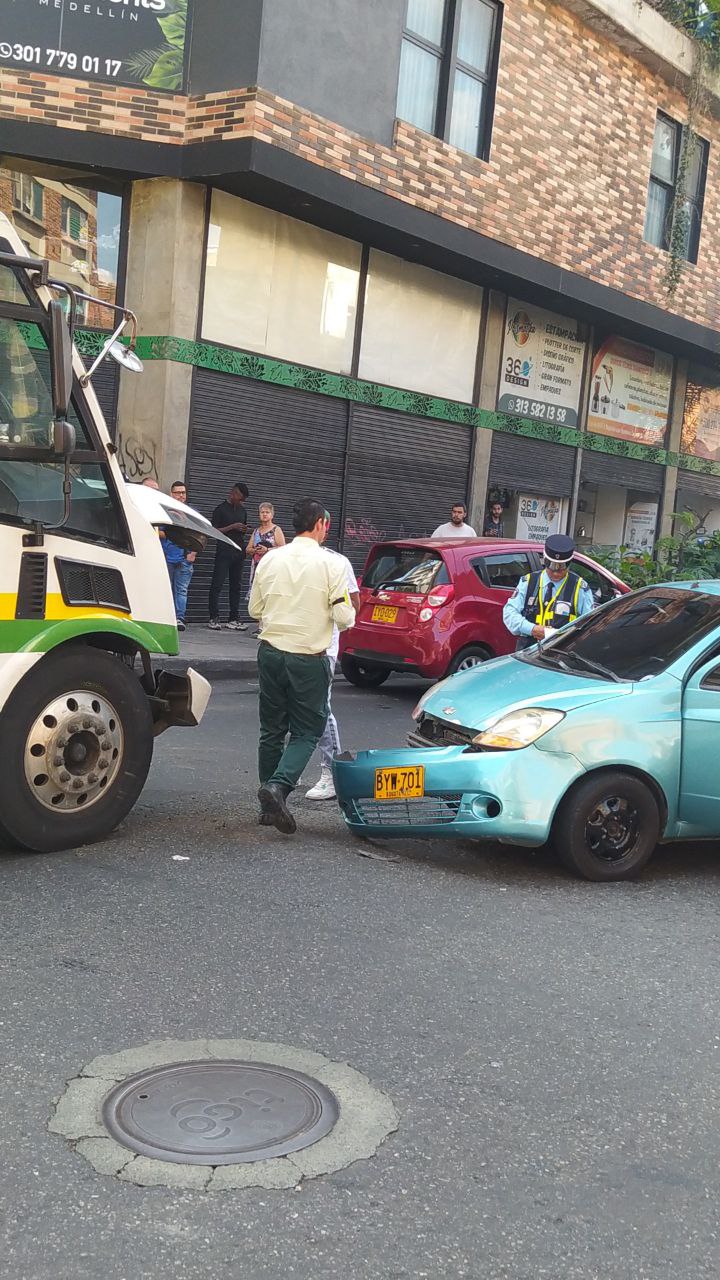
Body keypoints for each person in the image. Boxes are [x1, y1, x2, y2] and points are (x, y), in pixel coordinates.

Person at [248, 498, 356, 835]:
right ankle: (278, 787)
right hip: (308, 658)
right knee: (308, 730)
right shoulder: (332, 565)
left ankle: (268, 806)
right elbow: (344, 618)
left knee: (272, 729)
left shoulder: (270, 559)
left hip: (270, 652)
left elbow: (254, 609)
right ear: (322, 525)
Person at [305, 521, 361, 801]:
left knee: (321, 710)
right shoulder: (289, 558)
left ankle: (332, 770)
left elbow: (354, 603)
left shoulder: (337, 562)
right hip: (290, 646)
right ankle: (280, 776)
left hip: (322, 649)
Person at [503, 533, 594, 651]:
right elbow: (509, 613)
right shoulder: (529, 582)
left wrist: (558, 635)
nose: (556, 572)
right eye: (551, 565)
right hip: (527, 653)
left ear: (569, 563)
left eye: (561, 567)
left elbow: (590, 626)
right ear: (544, 560)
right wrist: (531, 629)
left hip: (563, 653)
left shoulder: (580, 589)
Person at [208, 482, 250, 631]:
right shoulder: (220, 509)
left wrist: (243, 529)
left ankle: (233, 617)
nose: (241, 501)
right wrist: (232, 527)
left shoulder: (242, 511)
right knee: (217, 584)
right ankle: (213, 617)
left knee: (236, 586)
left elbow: (244, 528)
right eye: (240, 498)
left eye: (243, 500)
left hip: (238, 552)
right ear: (233, 493)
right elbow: (213, 530)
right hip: (224, 551)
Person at [161, 480, 196, 633]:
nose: (181, 495)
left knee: (181, 590)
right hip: (167, 556)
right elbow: (158, 531)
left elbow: (200, 535)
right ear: (171, 494)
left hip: (184, 558)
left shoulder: (191, 513)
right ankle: (167, 618)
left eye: (183, 492)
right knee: (166, 589)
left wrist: (193, 553)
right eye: (177, 492)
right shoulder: (164, 511)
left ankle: (179, 618)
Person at [247, 502, 286, 594]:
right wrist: (255, 550)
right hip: (257, 566)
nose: (264, 514)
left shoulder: (276, 529)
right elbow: (248, 549)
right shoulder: (256, 531)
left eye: (267, 512)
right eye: (262, 512)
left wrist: (267, 550)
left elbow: (283, 548)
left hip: (271, 566)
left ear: (272, 515)